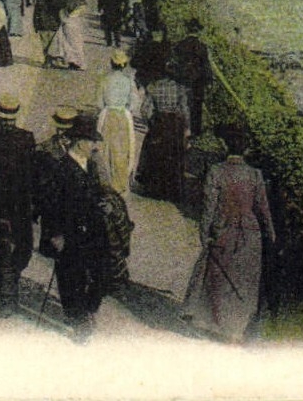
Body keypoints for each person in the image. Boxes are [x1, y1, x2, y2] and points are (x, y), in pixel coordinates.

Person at [183, 124, 276, 343]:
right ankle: (237, 329)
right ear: (246, 150)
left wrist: (204, 233)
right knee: (244, 281)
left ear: (225, 146)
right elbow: (263, 208)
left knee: (218, 278)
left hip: (224, 229)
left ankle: (216, 324)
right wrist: (271, 234)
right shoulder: (255, 175)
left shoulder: (217, 171)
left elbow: (208, 208)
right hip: (249, 233)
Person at [38, 117, 110, 339]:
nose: (94, 146)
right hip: (69, 233)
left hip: (93, 229)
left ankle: (87, 310)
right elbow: (50, 204)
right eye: (91, 141)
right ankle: (78, 319)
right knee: (71, 276)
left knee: (100, 272)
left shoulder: (88, 164)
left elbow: (94, 192)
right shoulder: (59, 168)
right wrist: (55, 234)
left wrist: (103, 203)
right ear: (79, 142)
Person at [0, 94, 35, 317]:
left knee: (24, 251)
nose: (9, 124)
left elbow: (31, 174)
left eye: (11, 121)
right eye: (6, 121)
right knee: (2, 253)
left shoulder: (26, 139)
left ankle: (11, 280)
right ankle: (8, 299)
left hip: (19, 207)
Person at [136, 65, 191, 203]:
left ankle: (153, 188)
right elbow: (184, 111)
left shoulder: (153, 87)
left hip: (159, 122)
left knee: (155, 154)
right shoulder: (180, 89)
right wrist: (186, 128)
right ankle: (170, 191)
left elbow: (144, 109)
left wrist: (150, 122)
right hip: (174, 125)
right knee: (173, 156)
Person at [96, 49, 138, 195]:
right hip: (123, 117)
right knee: (122, 149)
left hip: (107, 115)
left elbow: (99, 103)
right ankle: (120, 182)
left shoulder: (105, 79)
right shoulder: (129, 81)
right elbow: (133, 104)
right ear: (124, 65)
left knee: (106, 148)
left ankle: (106, 181)